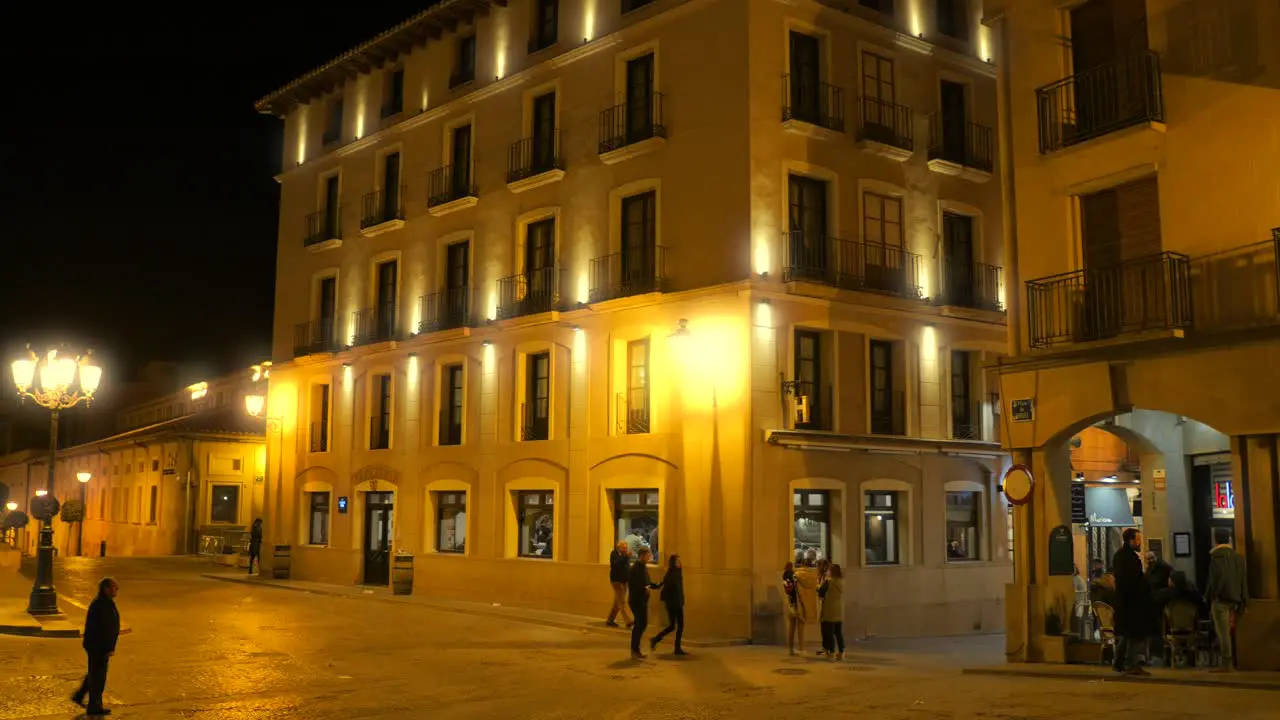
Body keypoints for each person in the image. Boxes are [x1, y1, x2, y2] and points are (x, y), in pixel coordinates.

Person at [72, 577, 120, 716]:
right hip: (98, 647)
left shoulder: (104, 603)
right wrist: (106, 648)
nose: (116, 589)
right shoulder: (101, 605)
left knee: (95, 674)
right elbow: (102, 629)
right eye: (114, 587)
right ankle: (94, 707)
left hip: (98, 646)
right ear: (106, 589)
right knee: (98, 678)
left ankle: (80, 696)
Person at [1205, 527, 1248, 672]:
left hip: (1221, 600)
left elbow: (1215, 580)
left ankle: (1226, 663)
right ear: (1229, 538)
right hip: (1236, 600)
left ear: (1215, 539)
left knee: (1223, 632)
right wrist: (1244, 599)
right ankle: (1237, 660)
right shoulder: (1237, 557)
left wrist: (1211, 595)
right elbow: (1243, 579)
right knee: (1232, 632)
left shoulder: (1216, 557)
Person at [1112, 528, 1153, 676]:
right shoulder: (1130, 559)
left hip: (1124, 603)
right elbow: (1133, 581)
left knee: (1125, 635)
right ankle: (1131, 664)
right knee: (1133, 635)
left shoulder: (1120, 556)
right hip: (1131, 603)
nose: (1140, 543)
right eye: (1138, 540)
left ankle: (1119, 663)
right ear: (1131, 541)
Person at [627, 547, 662, 659]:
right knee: (640, 624)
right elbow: (633, 585)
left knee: (642, 624)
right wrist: (644, 589)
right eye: (647, 555)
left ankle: (635, 649)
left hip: (642, 599)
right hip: (637, 600)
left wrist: (656, 585)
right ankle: (635, 649)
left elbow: (646, 582)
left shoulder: (643, 567)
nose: (649, 557)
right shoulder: (636, 568)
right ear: (641, 556)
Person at [651, 554, 686, 655]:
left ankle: (657, 640)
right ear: (673, 563)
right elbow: (667, 587)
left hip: (677, 602)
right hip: (673, 603)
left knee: (674, 626)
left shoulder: (677, 573)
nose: (679, 563)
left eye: (680, 561)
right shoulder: (672, 574)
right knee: (676, 626)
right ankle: (675, 647)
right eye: (677, 561)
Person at [788, 551, 819, 656]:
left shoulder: (796, 575)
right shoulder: (813, 577)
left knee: (791, 628)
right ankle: (801, 648)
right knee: (801, 628)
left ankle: (791, 648)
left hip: (795, 603)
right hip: (805, 605)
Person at [818, 564, 845, 660]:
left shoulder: (828, 582)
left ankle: (831, 652)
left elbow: (820, 592)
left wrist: (822, 581)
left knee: (829, 633)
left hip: (829, 610)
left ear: (831, 572)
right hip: (838, 610)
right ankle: (841, 652)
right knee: (838, 633)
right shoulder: (842, 582)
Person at [606, 540, 633, 628]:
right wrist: (625, 557)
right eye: (624, 548)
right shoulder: (614, 554)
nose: (625, 549)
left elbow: (626, 567)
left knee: (617, 602)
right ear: (619, 547)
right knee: (622, 602)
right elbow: (615, 564)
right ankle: (628, 620)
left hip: (624, 581)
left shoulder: (624, 556)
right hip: (616, 581)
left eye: (626, 548)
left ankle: (610, 619)